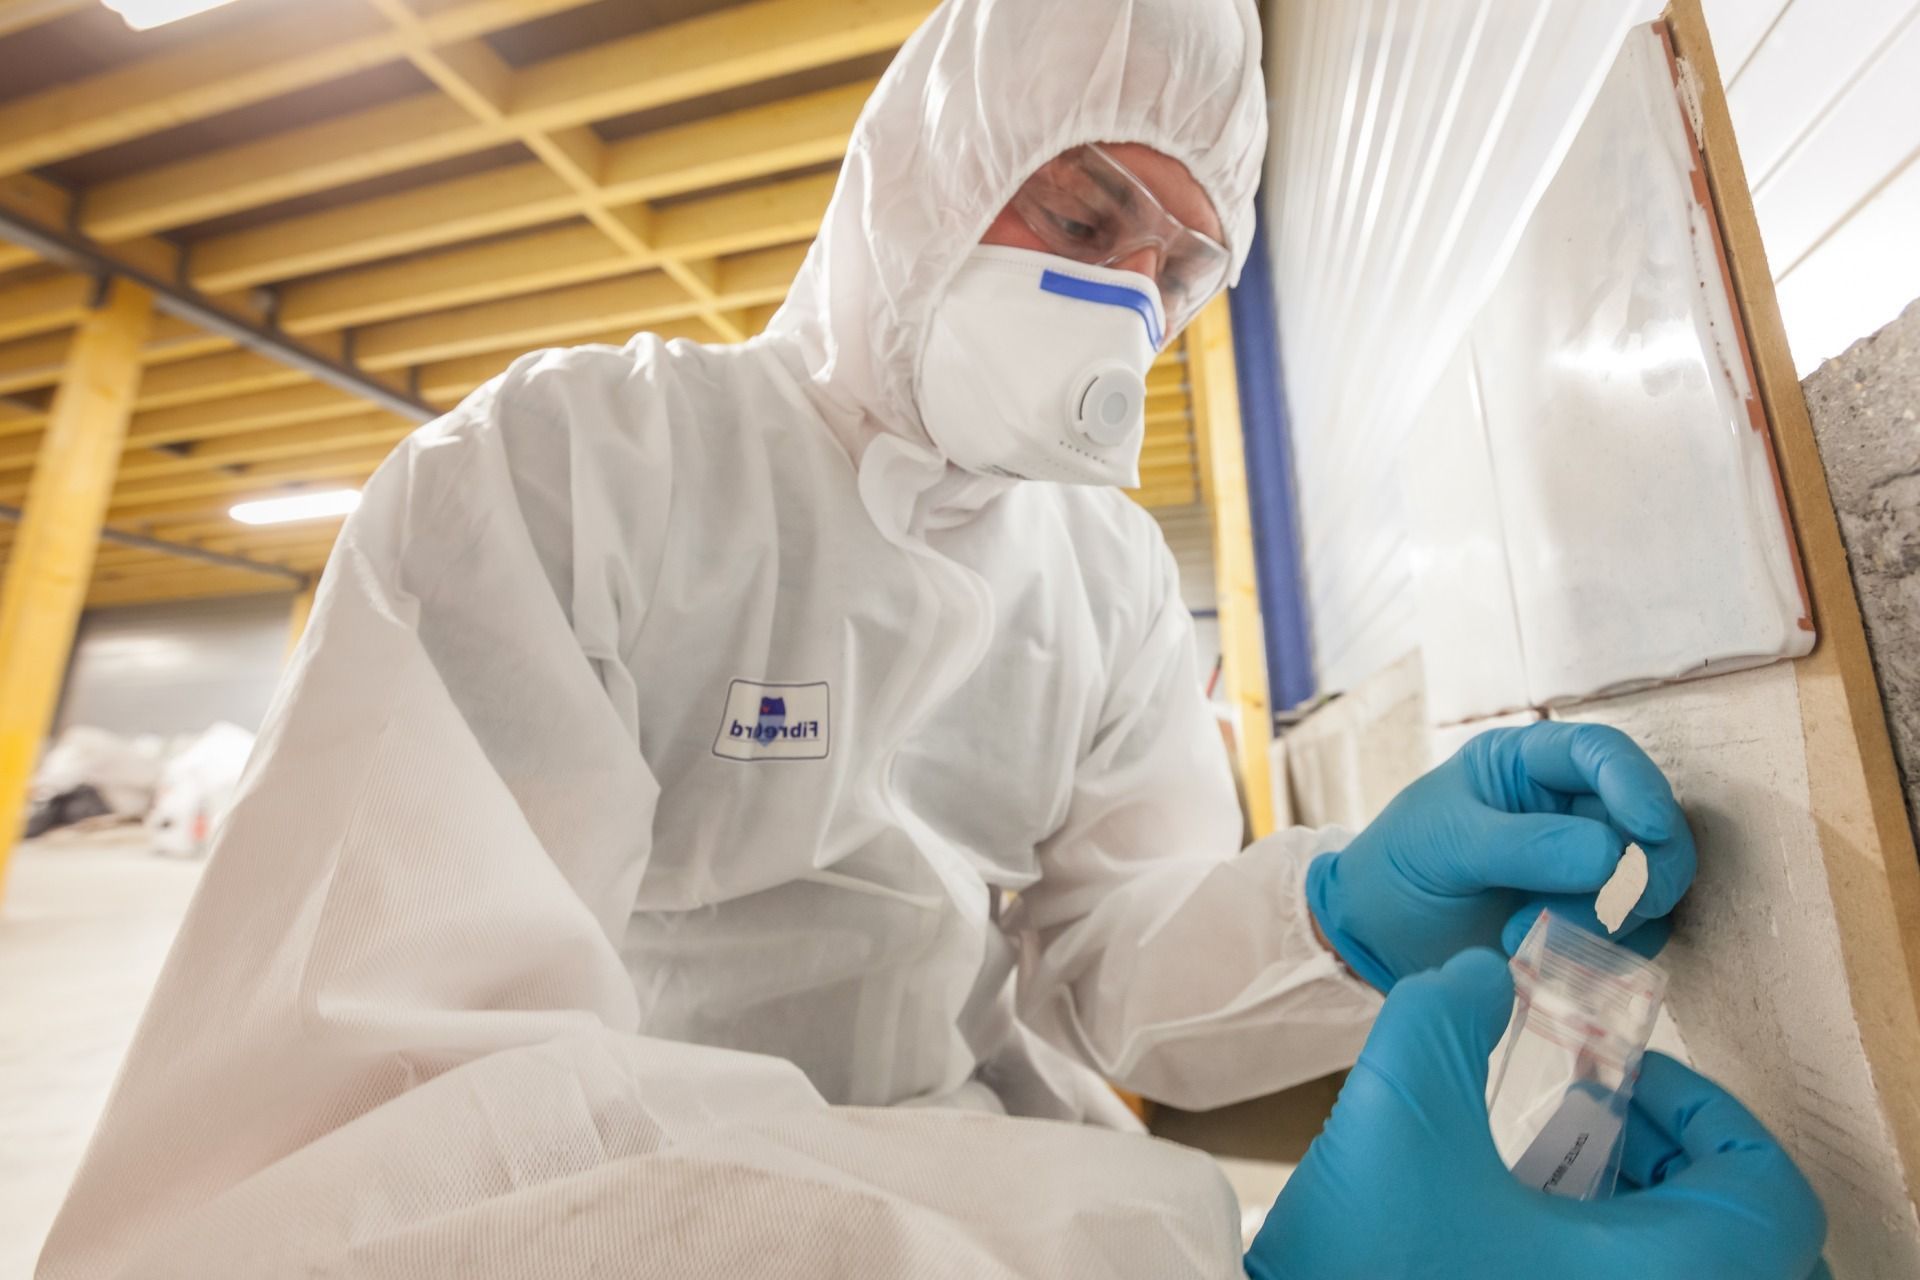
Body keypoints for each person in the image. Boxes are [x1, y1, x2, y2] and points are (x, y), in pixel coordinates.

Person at [37, 0, 1825, 1276]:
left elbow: (1112, 969)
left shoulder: (1107, 580)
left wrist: (1338, 904)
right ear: (922, 171)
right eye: (1080, 213)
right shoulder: (575, 465)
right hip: (624, 1192)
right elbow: (393, 1123)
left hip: (981, 1179)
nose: (1116, 301)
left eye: (1173, 269)